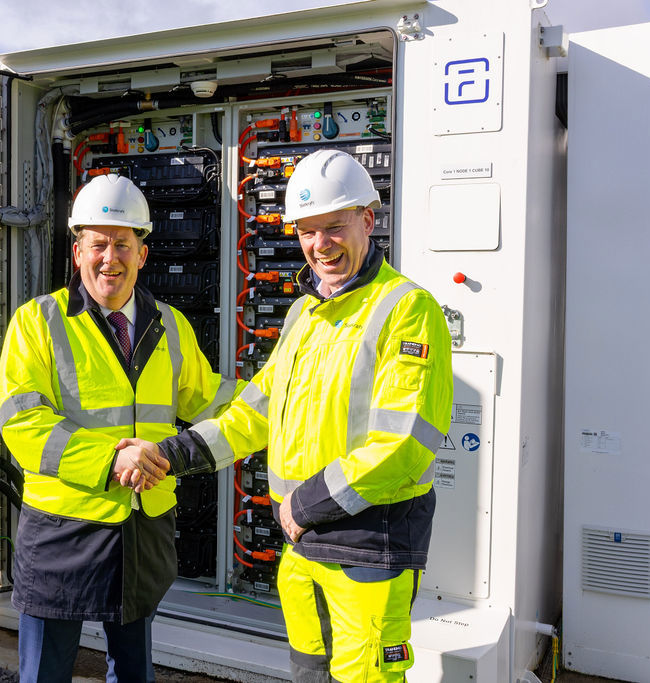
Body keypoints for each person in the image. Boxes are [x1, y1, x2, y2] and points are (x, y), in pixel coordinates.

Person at [119, 149, 453, 681]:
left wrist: (304, 503)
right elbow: (253, 413)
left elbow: (403, 445)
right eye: (306, 232)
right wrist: (167, 454)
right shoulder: (304, 312)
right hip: (303, 546)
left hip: (365, 548)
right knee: (309, 674)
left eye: (334, 227)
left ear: (368, 220)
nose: (319, 246)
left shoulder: (407, 310)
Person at [0, 173, 241, 683]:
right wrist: (111, 459)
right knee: (45, 674)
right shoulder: (37, 322)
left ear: (143, 254)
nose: (111, 258)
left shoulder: (169, 324)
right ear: (78, 251)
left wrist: (284, 396)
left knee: (133, 673)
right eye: (98, 244)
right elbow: (23, 423)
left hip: (142, 527)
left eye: (123, 244)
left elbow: (210, 398)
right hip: (64, 530)